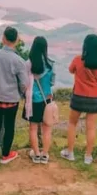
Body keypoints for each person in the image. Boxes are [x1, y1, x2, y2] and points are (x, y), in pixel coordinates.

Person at [0, 26, 28, 164]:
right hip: (11, 99)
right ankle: (6, 154)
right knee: (9, 126)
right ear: (17, 41)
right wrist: (20, 93)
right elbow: (24, 83)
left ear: (3, 38)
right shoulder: (19, 61)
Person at [61, 34, 97, 165]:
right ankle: (88, 156)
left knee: (72, 123)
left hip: (79, 96)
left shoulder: (78, 60)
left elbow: (71, 70)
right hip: (94, 97)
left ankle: (70, 152)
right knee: (91, 128)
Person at [23, 36, 55, 164]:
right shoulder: (50, 64)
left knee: (33, 128)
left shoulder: (28, 64)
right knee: (47, 128)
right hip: (47, 101)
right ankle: (45, 155)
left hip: (32, 101)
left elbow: (24, 82)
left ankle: (36, 154)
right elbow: (52, 82)